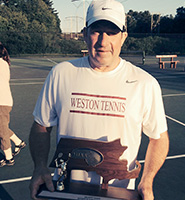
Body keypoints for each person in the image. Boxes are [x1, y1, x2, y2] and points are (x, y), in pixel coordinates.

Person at [29, 0, 169, 199]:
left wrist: (147, 180)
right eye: (97, 31)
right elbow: (41, 126)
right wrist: (40, 167)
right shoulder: (61, 74)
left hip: (118, 193)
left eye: (111, 32)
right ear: (85, 34)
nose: (103, 42)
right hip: (65, 191)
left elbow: (159, 138)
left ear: (123, 36)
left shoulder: (145, 83)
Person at [0, 43, 26, 167]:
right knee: (2, 127)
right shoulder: (4, 63)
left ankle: (9, 158)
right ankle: (18, 142)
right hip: (5, 101)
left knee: (2, 130)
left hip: (2, 102)